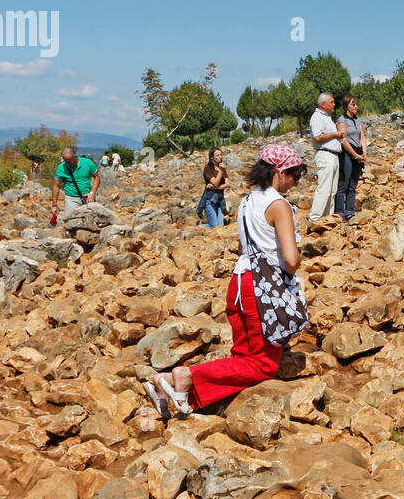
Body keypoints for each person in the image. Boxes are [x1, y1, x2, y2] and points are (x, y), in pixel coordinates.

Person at [146, 145, 306, 417]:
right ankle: (186, 376)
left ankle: (172, 386)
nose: (295, 182)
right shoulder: (278, 205)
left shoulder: (247, 201)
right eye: (294, 176)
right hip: (263, 287)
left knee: (243, 356)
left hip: (240, 282)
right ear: (279, 173)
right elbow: (290, 259)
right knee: (263, 365)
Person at [308, 93, 346, 222]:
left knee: (332, 190)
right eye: (332, 102)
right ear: (323, 104)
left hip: (333, 155)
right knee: (324, 188)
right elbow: (317, 137)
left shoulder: (326, 117)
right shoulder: (317, 117)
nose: (334, 104)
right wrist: (335, 134)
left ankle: (327, 218)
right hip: (325, 154)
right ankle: (315, 219)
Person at [334, 93, 366, 221]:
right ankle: (340, 212)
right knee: (344, 183)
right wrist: (355, 155)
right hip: (347, 153)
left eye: (356, 104)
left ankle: (350, 210)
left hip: (358, 152)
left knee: (353, 183)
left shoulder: (358, 120)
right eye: (353, 104)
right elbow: (343, 140)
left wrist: (364, 152)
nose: (356, 106)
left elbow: (362, 137)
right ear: (347, 105)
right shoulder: (342, 120)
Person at [52, 146, 98, 214]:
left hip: (87, 197)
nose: (69, 163)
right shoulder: (61, 168)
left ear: (75, 156)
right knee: (71, 220)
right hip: (71, 198)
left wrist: (92, 193)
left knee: (89, 220)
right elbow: (56, 186)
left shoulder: (87, 163)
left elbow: (97, 177)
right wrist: (54, 205)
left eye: (70, 161)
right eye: (66, 161)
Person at [198, 147, 228, 228]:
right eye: (217, 155)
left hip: (220, 200)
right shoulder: (208, 168)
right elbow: (215, 183)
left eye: (221, 155)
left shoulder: (222, 167)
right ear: (212, 157)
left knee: (220, 226)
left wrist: (215, 188)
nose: (220, 157)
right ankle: (199, 227)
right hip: (210, 200)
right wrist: (221, 171)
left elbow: (228, 184)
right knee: (214, 225)